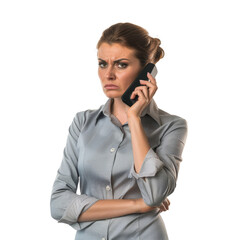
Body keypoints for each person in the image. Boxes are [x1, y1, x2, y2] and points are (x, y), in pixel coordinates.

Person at [50, 22, 188, 240]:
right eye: (103, 64)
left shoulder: (172, 126)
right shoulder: (82, 123)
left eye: (121, 65)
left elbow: (154, 195)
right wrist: (137, 204)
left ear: (146, 72)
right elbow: (58, 205)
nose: (109, 74)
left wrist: (134, 119)